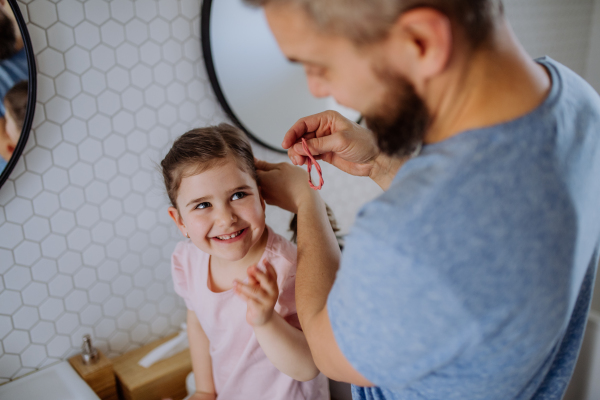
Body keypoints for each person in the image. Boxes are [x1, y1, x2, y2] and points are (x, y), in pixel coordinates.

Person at [246, 0, 600, 399]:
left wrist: (305, 201)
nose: (318, 89)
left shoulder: (406, 237)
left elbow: (328, 354)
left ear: (421, 42)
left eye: (319, 65)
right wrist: (380, 163)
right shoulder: (579, 103)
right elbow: (467, 234)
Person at [161, 123, 329, 400]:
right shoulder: (188, 261)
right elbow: (198, 323)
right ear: (180, 221)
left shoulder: (289, 268)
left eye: (238, 195)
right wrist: (204, 390)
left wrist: (266, 321)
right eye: (203, 205)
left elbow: (310, 366)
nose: (226, 218)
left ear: (262, 199)